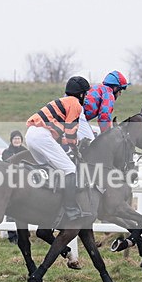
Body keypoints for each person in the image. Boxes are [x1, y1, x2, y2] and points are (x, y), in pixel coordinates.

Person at [25, 76, 92, 222]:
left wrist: (69, 143)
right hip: (42, 136)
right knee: (70, 169)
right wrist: (75, 147)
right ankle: (70, 208)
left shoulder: (62, 101)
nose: (86, 97)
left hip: (31, 135)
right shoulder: (75, 104)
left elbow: (62, 134)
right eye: (85, 94)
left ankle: (46, 203)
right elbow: (70, 131)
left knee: (49, 170)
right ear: (80, 94)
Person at [77, 70, 130, 141]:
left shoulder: (98, 87)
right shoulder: (108, 93)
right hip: (77, 116)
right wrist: (108, 137)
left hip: (74, 114)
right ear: (115, 88)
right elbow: (104, 116)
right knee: (92, 142)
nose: (120, 94)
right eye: (120, 91)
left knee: (96, 133)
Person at [1, 130, 28, 243]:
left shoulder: (26, 152)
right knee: (11, 208)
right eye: (15, 139)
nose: (17, 140)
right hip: (11, 183)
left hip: (24, 183)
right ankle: (12, 235)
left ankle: (24, 234)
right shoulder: (6, 152)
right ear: (11, 140)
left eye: (19, 139)